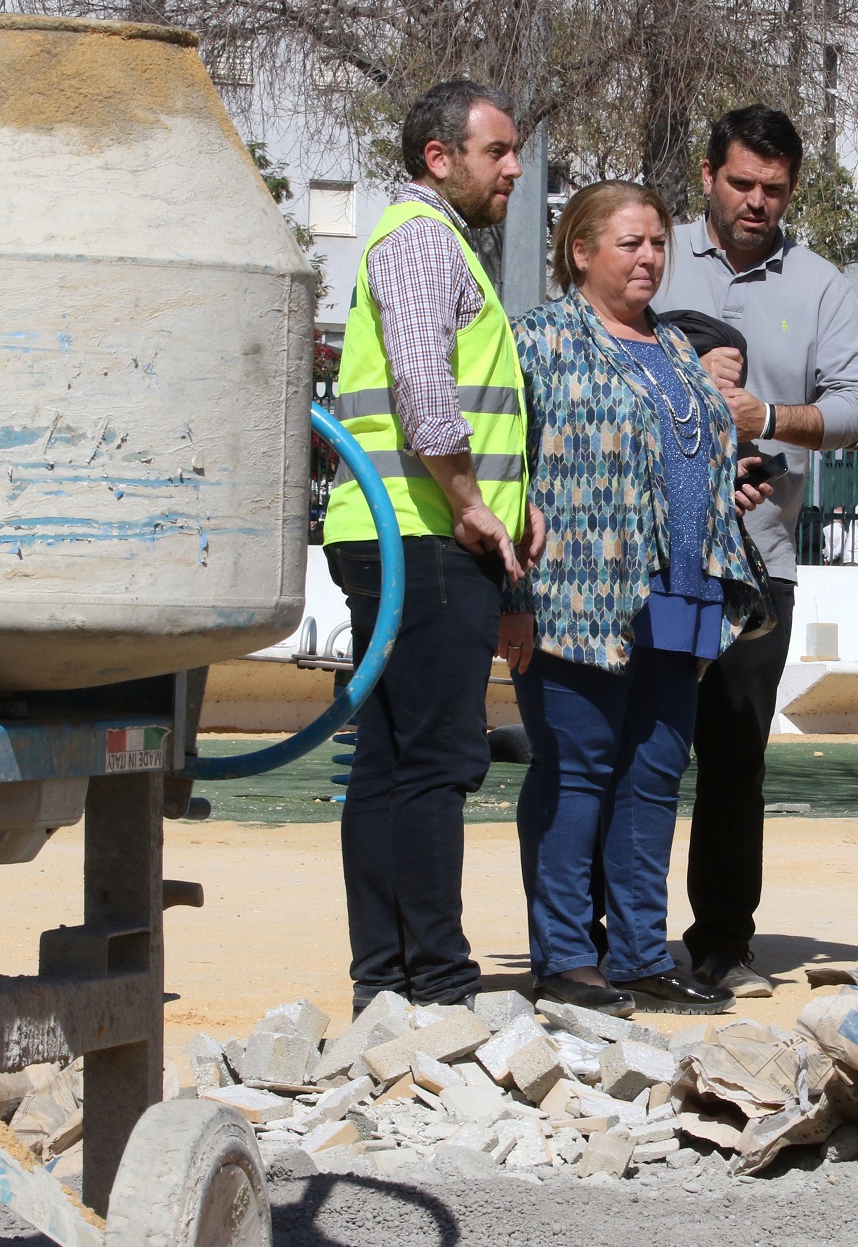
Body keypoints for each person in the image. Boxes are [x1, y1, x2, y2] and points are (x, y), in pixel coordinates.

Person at [499, 180, 773, 1016]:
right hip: (578, 594)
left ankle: (643, 954)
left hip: (682, 594)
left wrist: (724, 485)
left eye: (657, 241)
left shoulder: (678, 349)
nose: (650, 256)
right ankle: (566, 958)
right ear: (580, 252)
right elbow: (504, 468)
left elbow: (684, 450)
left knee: (654, 775)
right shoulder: (538, 342)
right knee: (577, 772)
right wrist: (512, 592)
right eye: (630, 242)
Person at [322, 80, 544, 1013]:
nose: (515, 169)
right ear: (438, 158)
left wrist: (509, 499)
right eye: (497, 152)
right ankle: (436, 982)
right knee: (435, 760)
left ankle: (392, 978)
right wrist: (468, 502)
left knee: (393, 758)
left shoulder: (433, 242)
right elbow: (421, 381)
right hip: (417, 532)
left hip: (403, 529)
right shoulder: (419, 238)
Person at [651, 105, 858, 995]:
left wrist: (770, 422)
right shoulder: (649, 251)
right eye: (742, 183)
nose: (757, 203)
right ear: (707, 173)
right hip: (647, 563)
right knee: (634, 752)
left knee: (735, 760)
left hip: (760, 564)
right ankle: (609, 942)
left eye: (775, 190)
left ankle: (722, 944)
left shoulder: (821, 286)